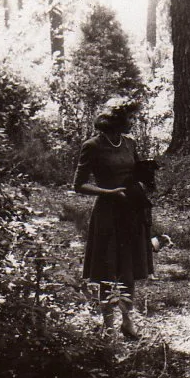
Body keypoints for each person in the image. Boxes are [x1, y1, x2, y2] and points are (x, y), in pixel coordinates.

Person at [73, 97, 153, 338]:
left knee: (128, 268)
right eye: (130, 117)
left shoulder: (129, 142)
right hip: (108, 213)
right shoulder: (92, 146)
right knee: (108, 269)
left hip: (131, 210)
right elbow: (79, 184)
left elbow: (136, 172)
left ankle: (127, 321)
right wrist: (108, 192)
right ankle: (108, 326)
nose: (133, 121)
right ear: (116, 120)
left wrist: (146, 181)